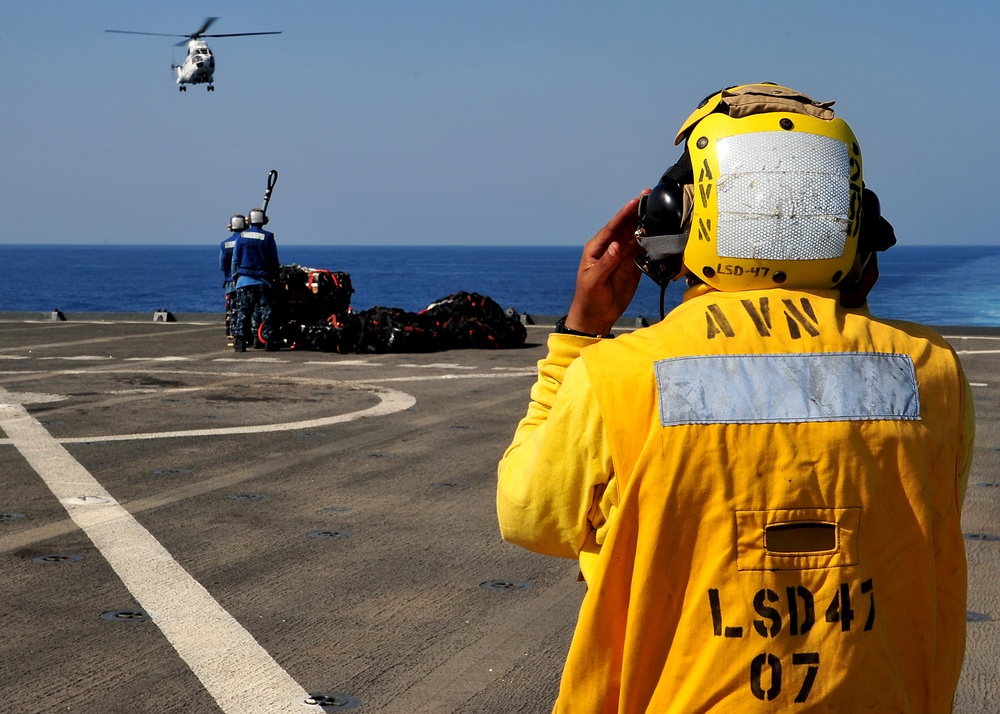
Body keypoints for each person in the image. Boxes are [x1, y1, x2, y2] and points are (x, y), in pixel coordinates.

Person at [497, 83, 975, 712]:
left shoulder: (616, 376)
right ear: (856, 227)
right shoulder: (929, 372)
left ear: (675, 220)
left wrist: (577, 338)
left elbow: (529, 515)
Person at [230, 207, 280, 352]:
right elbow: (273, 260)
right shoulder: (268, 237)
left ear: (250, 220)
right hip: (263, 281)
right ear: (264, 221)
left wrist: (235, 277)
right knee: (267, 312)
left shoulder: (241, 237)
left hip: (244, 281)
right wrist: (275, 277)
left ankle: (240, 342)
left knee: (243, 311)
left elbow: (235, 260)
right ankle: (269, 342)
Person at [220, 213, 245, 344]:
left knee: (231, 308)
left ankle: (232, 331)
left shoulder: (225, 244)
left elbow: (222, 264)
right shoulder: (244, 241)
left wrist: (229, 275)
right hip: (244, 280)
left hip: (230, 281)